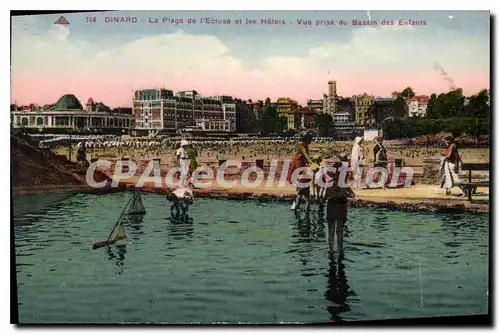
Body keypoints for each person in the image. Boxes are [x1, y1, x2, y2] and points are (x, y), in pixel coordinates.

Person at [323, 159, 355, 255]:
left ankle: (331, 249)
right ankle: (340, 249)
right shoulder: (344, 185)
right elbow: (353, 195)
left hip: (331, 206)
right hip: (341, 207)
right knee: (340, 230)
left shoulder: (330, 183)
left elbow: (325, 196)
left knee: (331, 231)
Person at [287, 132, 319, 211]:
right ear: (306, 139)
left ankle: (300, 203)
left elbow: (306, 157)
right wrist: (312, 163)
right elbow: (306, 155)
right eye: (310, 139)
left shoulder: (306, 146)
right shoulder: (301, 146)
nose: (311, 140)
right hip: (298, 164)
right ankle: (297, 203)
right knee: (301, 180)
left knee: (304, 181)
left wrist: (310, 163)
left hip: (302, 164)